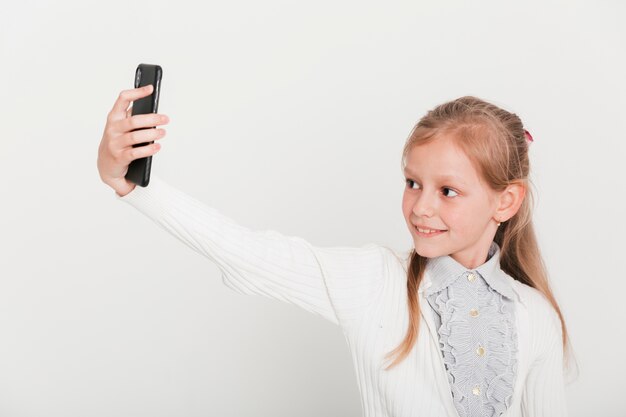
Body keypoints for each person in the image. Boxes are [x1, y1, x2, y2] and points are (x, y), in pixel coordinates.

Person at [97, 86, 574, 417]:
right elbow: (251, 254)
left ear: (505, 200)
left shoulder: (536, 316)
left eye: (447, 190)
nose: (421, 207)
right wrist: (132, 187)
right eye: (412, 183)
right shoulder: (374, 280)